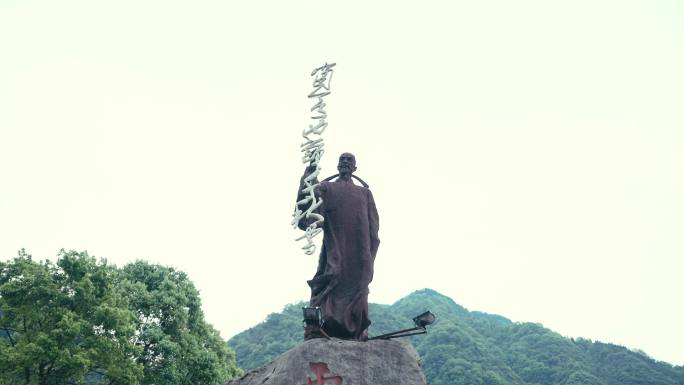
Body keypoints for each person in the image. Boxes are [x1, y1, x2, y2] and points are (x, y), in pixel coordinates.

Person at [295, 153, 380, 340]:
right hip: (335, 247)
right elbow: (310, 201)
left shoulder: (365, 193)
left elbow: (373, 226)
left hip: (360, 251)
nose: (345, 163)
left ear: (355, 168)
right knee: (331, 277)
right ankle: (319, 325)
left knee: (359, 284)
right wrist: (310, 171)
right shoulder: (326, 188)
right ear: (337, 165)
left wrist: (370, 252)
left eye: (350, 161)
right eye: (342, 160)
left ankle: (357, 327)